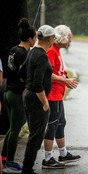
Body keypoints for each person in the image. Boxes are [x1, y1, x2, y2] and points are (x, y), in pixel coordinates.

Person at [1, 18, 36, 173]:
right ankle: (9, 161)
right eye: (35, 37)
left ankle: (3, 158)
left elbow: (12, 70)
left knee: (13, 128)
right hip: (16, 95)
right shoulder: (24, 54)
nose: (36, 39)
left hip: (7, 92)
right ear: (30, 39)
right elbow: (24, 75)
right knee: (16, 129)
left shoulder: (14, 49)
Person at [42, 25, 80, 169]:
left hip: (58, 93)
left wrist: (66, 78)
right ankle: (47, 158)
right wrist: (64, 80)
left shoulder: (57, 50)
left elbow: (57, 70)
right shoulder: (51, 51)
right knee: (52, 124)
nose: (70, 41)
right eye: (69, 38)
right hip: (52, 94)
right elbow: (47, 73)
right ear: (62, 37)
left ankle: (63, 154)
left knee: (61, 122)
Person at [20, 25, 57, 174]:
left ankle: (27, 168)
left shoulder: (32, 51)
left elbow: (22, 72)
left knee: (33, 135)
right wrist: (45, 102)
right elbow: (37, 84)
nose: (54, 39)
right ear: (49, 39)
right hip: (36, 100)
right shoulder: (41, 56)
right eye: (53, 37)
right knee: (36, 137)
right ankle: (27, 169)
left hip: (27, 95)